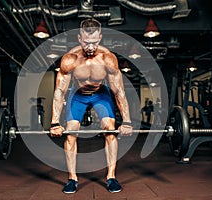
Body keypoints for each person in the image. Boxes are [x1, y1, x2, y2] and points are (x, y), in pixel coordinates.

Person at [49, 18, 133, 194]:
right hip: (77, 96)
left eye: (94, 42)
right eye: (86, 42)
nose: (90, 47)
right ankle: (72, 178)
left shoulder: (108, 59)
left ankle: (111, 177)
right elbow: (60, 92)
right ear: (80, 38)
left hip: (100, 95)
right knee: (71, 132)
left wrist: (126, 121)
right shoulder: (70, 60)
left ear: (100, 38)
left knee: (110, 129)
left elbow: (119, 92)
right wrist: (55, 122)